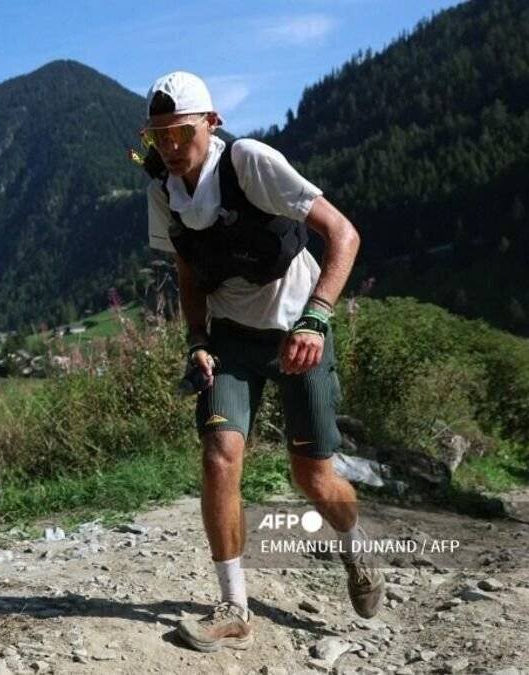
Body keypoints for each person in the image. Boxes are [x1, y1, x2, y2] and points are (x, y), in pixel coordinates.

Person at [139, 71, 384, 652]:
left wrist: (317, 318)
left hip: (300, 334)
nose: (169, 146)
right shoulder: (162, 190)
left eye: (180, 133)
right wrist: (196, 340)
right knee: (219, 456)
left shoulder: (250, 162)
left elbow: (344, 234)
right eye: (157, 136)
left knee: (312, 475)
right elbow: (187, 271)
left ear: (212, 123)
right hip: (231, 339)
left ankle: (358, 550)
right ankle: (234, 608)